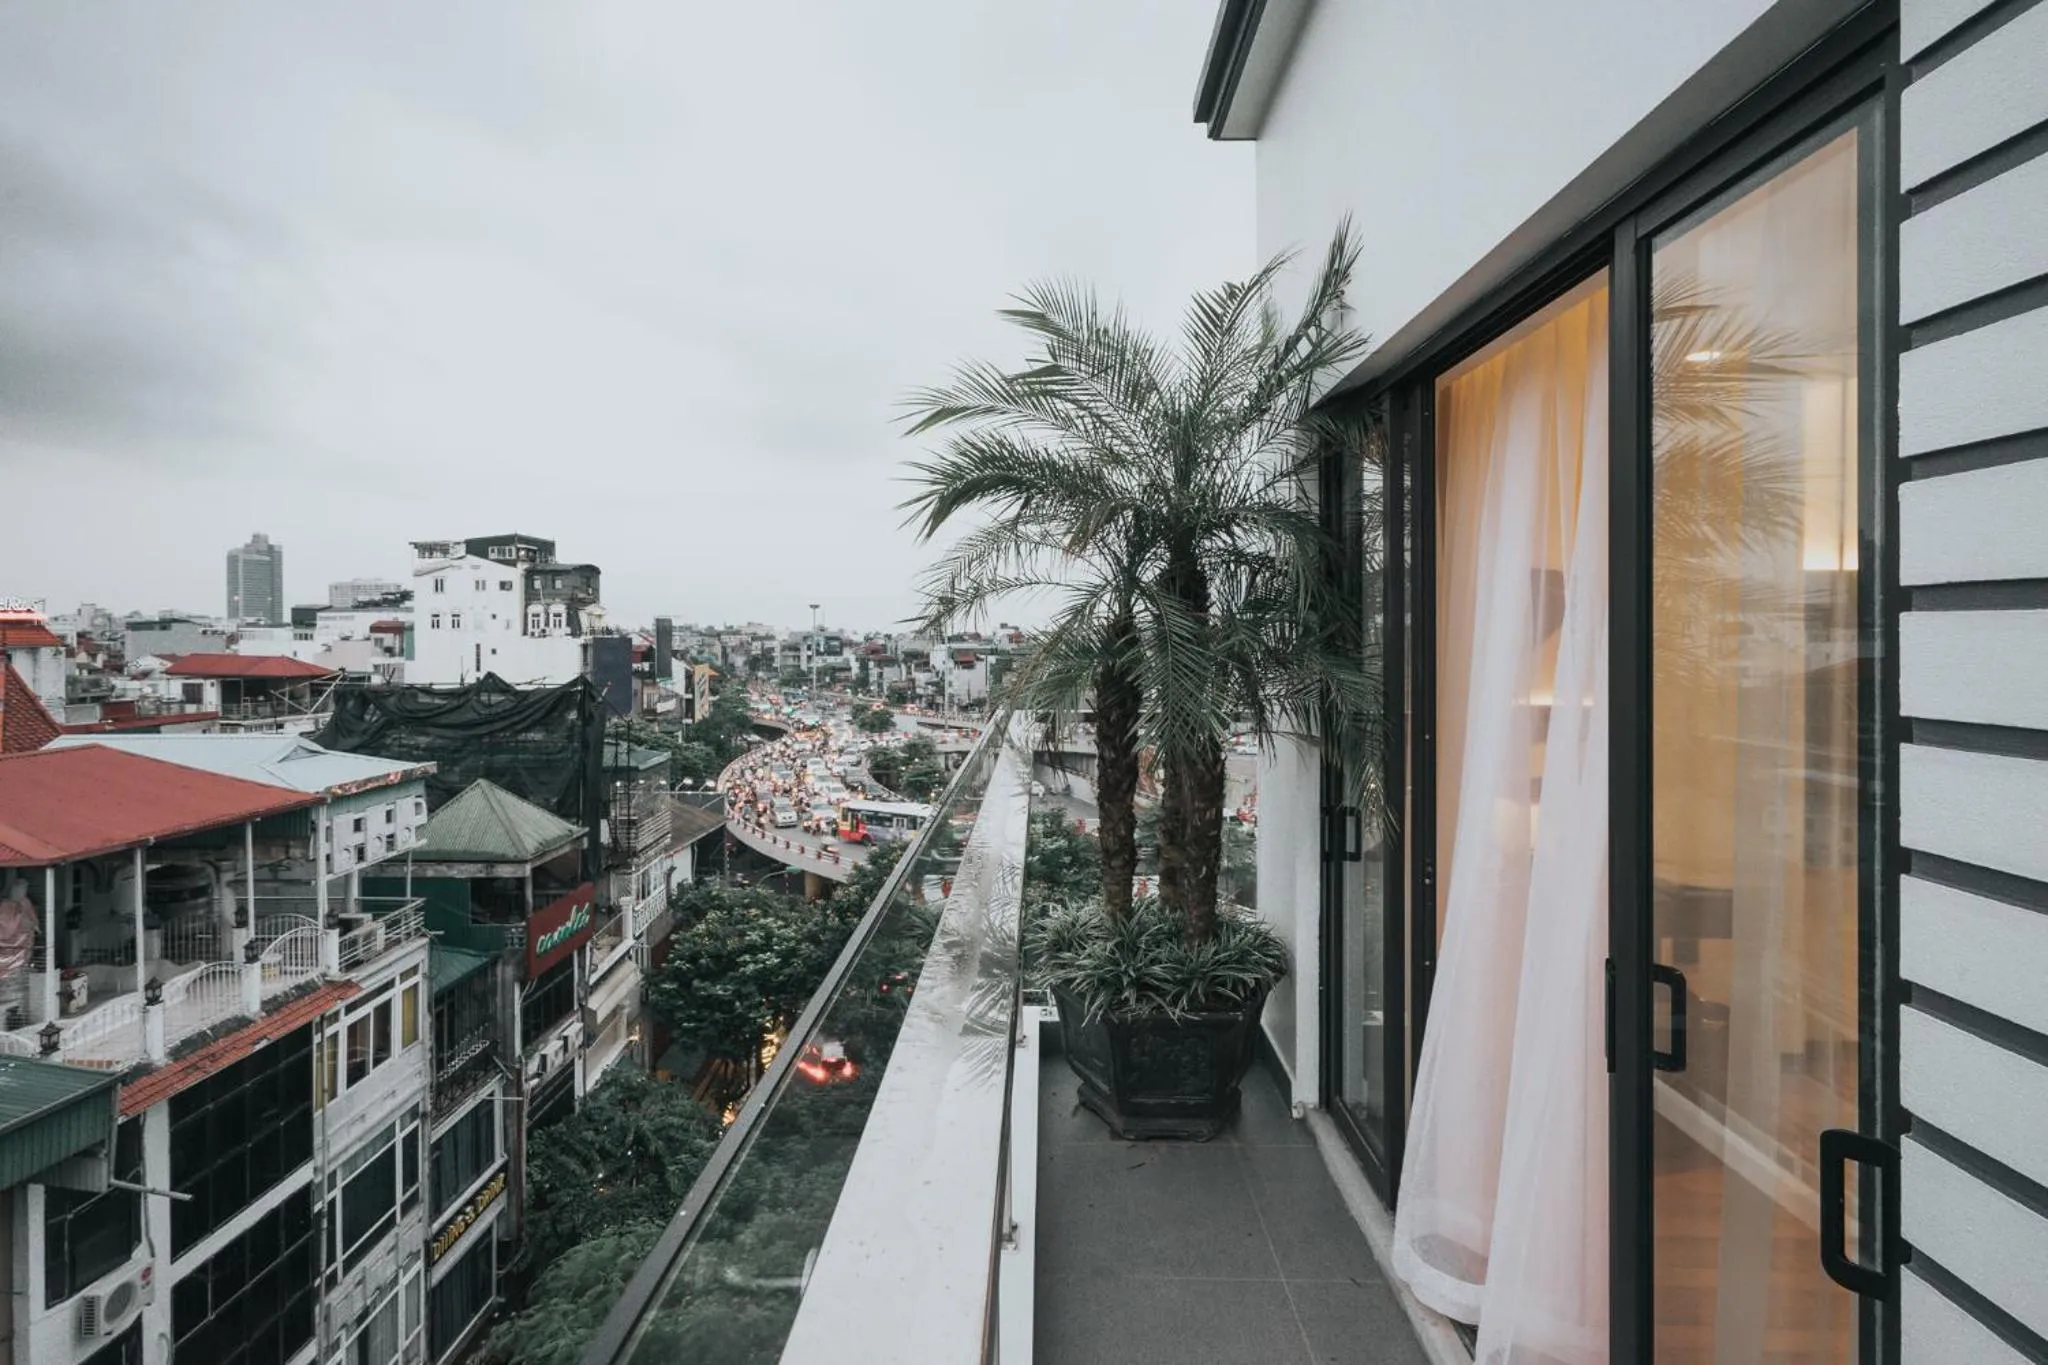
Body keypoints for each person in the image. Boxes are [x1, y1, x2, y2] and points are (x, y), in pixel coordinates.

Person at [0, 879, 38, 1029]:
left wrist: (30, 924)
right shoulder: (5, 906)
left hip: (22, 947)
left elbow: (33, 922)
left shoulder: (25, 903)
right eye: (19, 888)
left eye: (24, 888)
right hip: (9, 947)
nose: (22, 891)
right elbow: (5, 930)